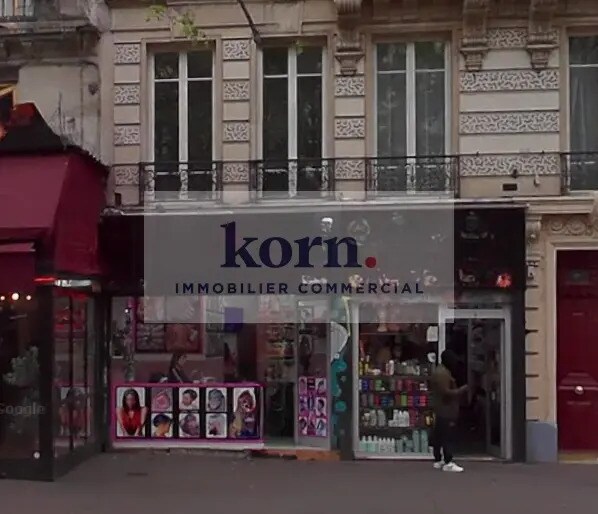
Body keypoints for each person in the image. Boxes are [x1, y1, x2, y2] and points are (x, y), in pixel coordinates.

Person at [430, 349, 468, 472]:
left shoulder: (441, 371)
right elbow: (446, 392)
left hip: (441, 408)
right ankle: (448, 461)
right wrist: (462, 390)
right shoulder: (442, 373)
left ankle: (438, 459)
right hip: (446, 409)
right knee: (447, 436)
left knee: (439, 435)